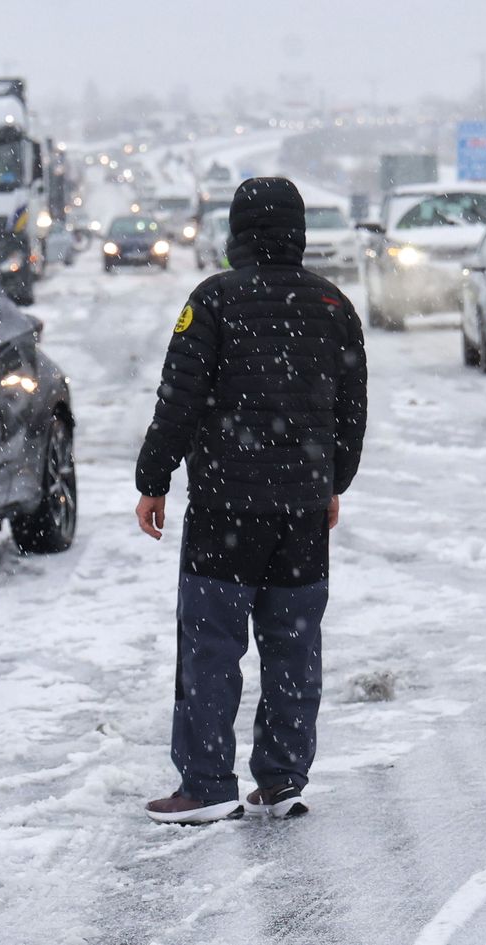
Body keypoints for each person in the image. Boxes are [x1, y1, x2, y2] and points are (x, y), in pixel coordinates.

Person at [134, 176, 368, 825]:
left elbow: (178, 399)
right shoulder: (332, 302)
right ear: (298, 230)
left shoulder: (213, 300)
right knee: (294, 643)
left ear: (237, 232)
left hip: (224, 511)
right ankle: (283, 777)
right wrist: (332, 484)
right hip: (300, 514)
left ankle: (207, 782)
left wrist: (153, 477)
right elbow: (352, 409)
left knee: (211, 643)